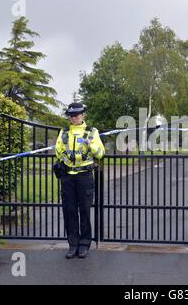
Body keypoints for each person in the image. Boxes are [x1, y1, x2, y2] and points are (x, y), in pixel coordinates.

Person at [55, 102, 105, 259]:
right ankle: (73, 244)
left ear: (83, 115)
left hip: (84, 177)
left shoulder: (92, 132)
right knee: (69, 212)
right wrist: (63, 151)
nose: (74, 118)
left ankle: (84, 244)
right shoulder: (64, 132)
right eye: (71, 116)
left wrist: (91, 146)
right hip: (68, 177)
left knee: (84, 211)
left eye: (76, 115)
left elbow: (100, 153)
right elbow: (58, 151)